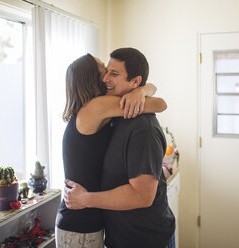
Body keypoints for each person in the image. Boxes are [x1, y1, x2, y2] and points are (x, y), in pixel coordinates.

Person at [64, 48, 175, 248]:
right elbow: (159, 102)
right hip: (87, 223)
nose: (106, 78)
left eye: (112, 73)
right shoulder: (100, 109)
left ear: (134, 81)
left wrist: (141, 90)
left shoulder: (140, 127)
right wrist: (141, 90)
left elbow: (142, 195)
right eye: (103, 73)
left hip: (143, 238)